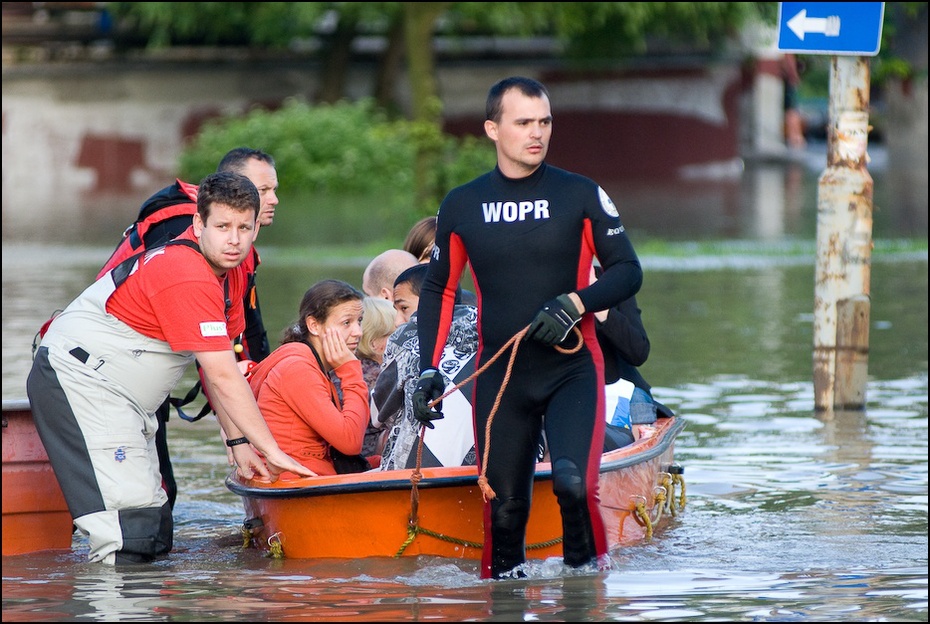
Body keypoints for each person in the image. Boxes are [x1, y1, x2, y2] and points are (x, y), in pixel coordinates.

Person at [411, 76, 643, 579]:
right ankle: (505, 600)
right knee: (506, 509)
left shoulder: (581, 194)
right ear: (493, 128)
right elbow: (438, 291)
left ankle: (586, 597)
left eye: (544, 122)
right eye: (523, 123)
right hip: (502, 379)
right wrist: (429, 370)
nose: (536, 133)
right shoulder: (462, 204)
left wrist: (575, 302)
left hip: (571, 370)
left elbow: (628, 271)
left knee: (572, 485)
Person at [26, 171, 313, 565]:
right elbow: (224, 377)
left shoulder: (236, 273)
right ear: (198, 224)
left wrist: (239, 442)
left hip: (126, 397)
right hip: (81, 380)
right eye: (223, 226)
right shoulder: (185, 271)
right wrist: (272, 451)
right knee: (129, 531)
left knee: (156, 526)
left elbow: (219, 368)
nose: (234, 239)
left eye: (244, 227)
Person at [95, 147, 280, 509]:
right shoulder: (183, 232)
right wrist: (251, 439)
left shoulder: (234, 253)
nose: (273, 199)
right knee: (151, 498)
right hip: (109, 373)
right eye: (263, 190)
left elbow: (244, 339)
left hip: (147, 374)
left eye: (274, 189)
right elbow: (211, 354)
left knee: (156, 495)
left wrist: (240, 436)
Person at [248, 279, 370, 477]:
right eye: (346, 323)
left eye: (360, 321)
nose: (358, 332)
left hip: (310, 473)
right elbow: (351, 442)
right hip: (295, 481)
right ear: (313, 325)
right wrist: (351, 371)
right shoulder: (298, 369)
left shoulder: (308, 361)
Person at [371, 264, 478, 471]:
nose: (397, 321)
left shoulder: (406, 337)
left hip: (420, 471)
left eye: (403, 308)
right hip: (483, 464)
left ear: (432, 298)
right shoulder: (489, 329)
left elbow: (378, 413)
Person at [357, 296, 398, 460]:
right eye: (395, 335)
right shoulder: (379, 377)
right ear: (375, 344)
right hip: (371, 465)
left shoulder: (341, 370)